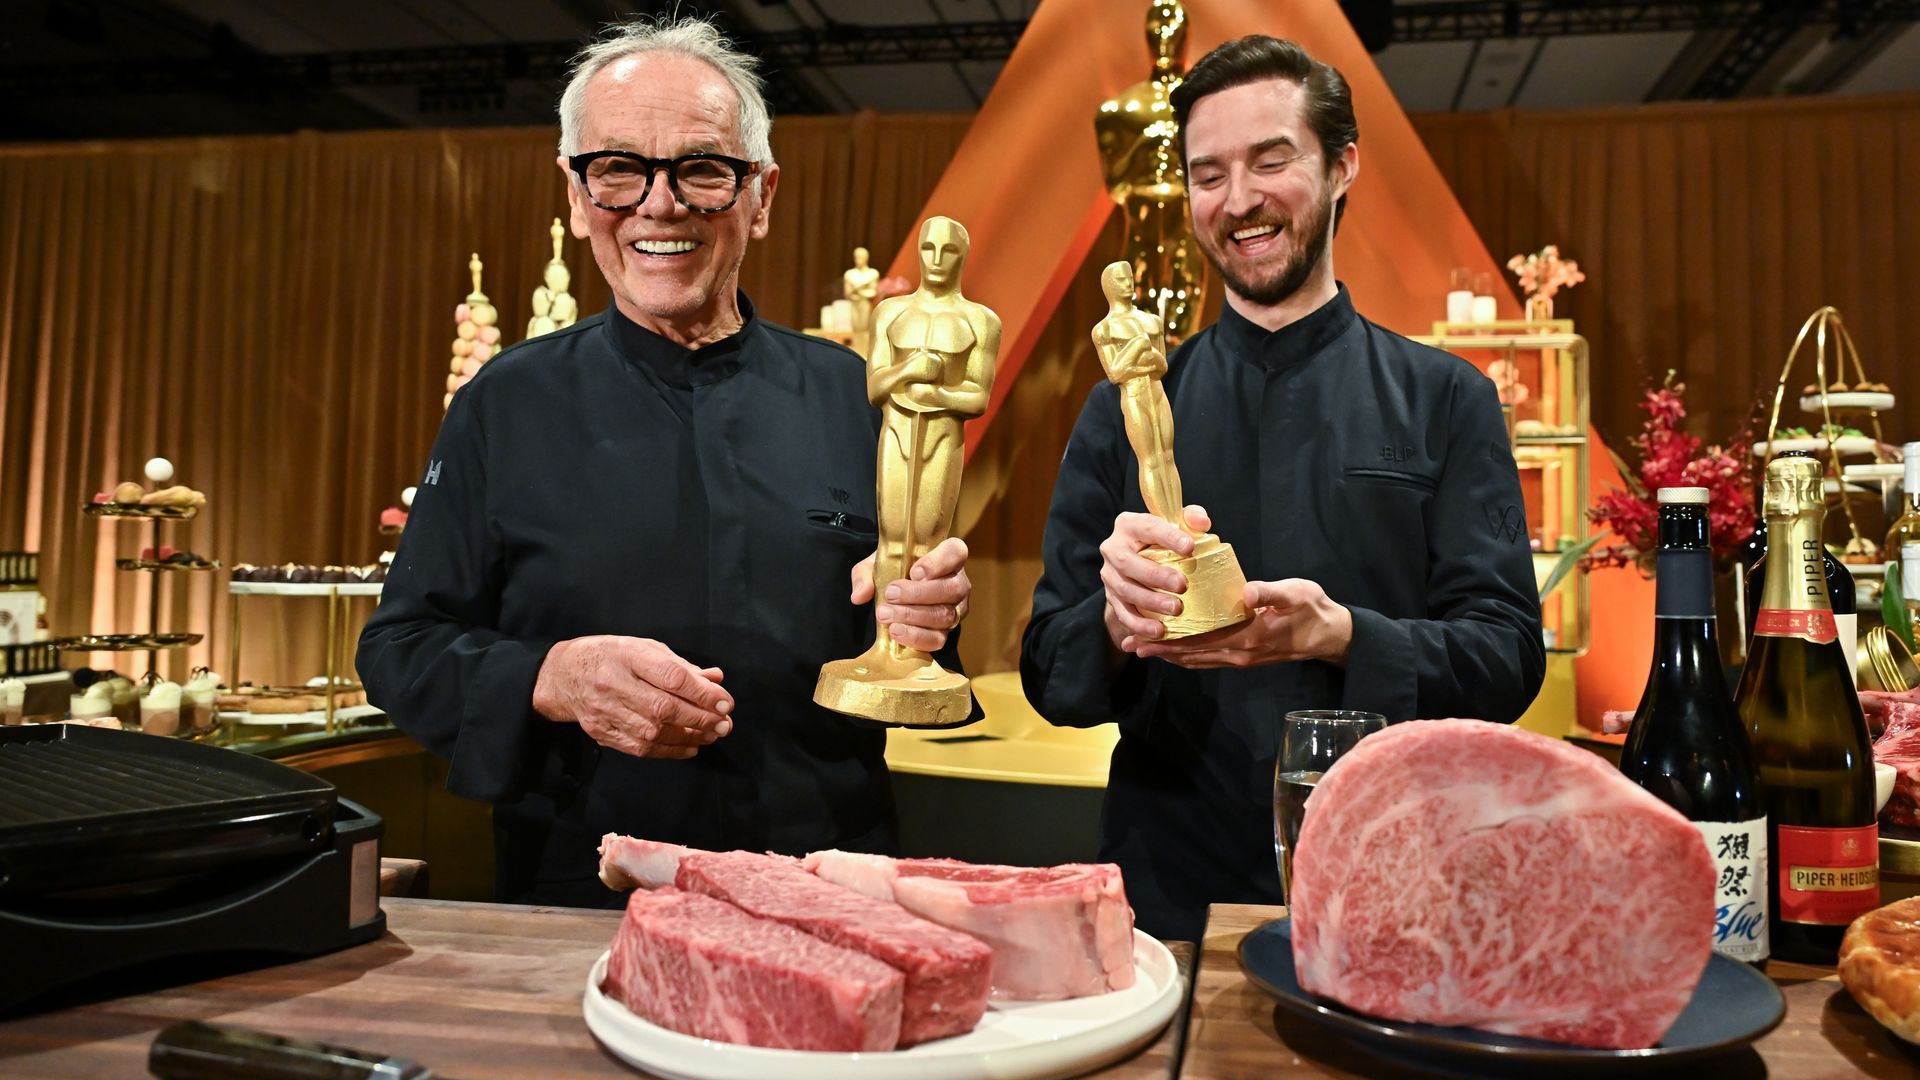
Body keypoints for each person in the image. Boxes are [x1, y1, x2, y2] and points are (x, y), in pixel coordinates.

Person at [359, 16, 973, 907]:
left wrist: (927, 614)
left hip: (826, 887)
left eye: (702, 169)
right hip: (587, 896)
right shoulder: (505, 402)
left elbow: (912, 639)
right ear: (577, 197)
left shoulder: (856, 394)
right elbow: (401, 649)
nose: (659, 205)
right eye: (618, 169)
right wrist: (552, 678)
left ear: (761, 196)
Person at [1021, 35, 1545, 941]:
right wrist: (1113, 621)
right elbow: (1047, 674)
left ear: (1342, 167)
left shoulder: (1446, 398)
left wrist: (1341, 635)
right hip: (1172, 897)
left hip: (1399, 887)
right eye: (1209, 174)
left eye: (1271, 161)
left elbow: (1506, 660)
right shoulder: (1125, 411)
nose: (1239, 201)